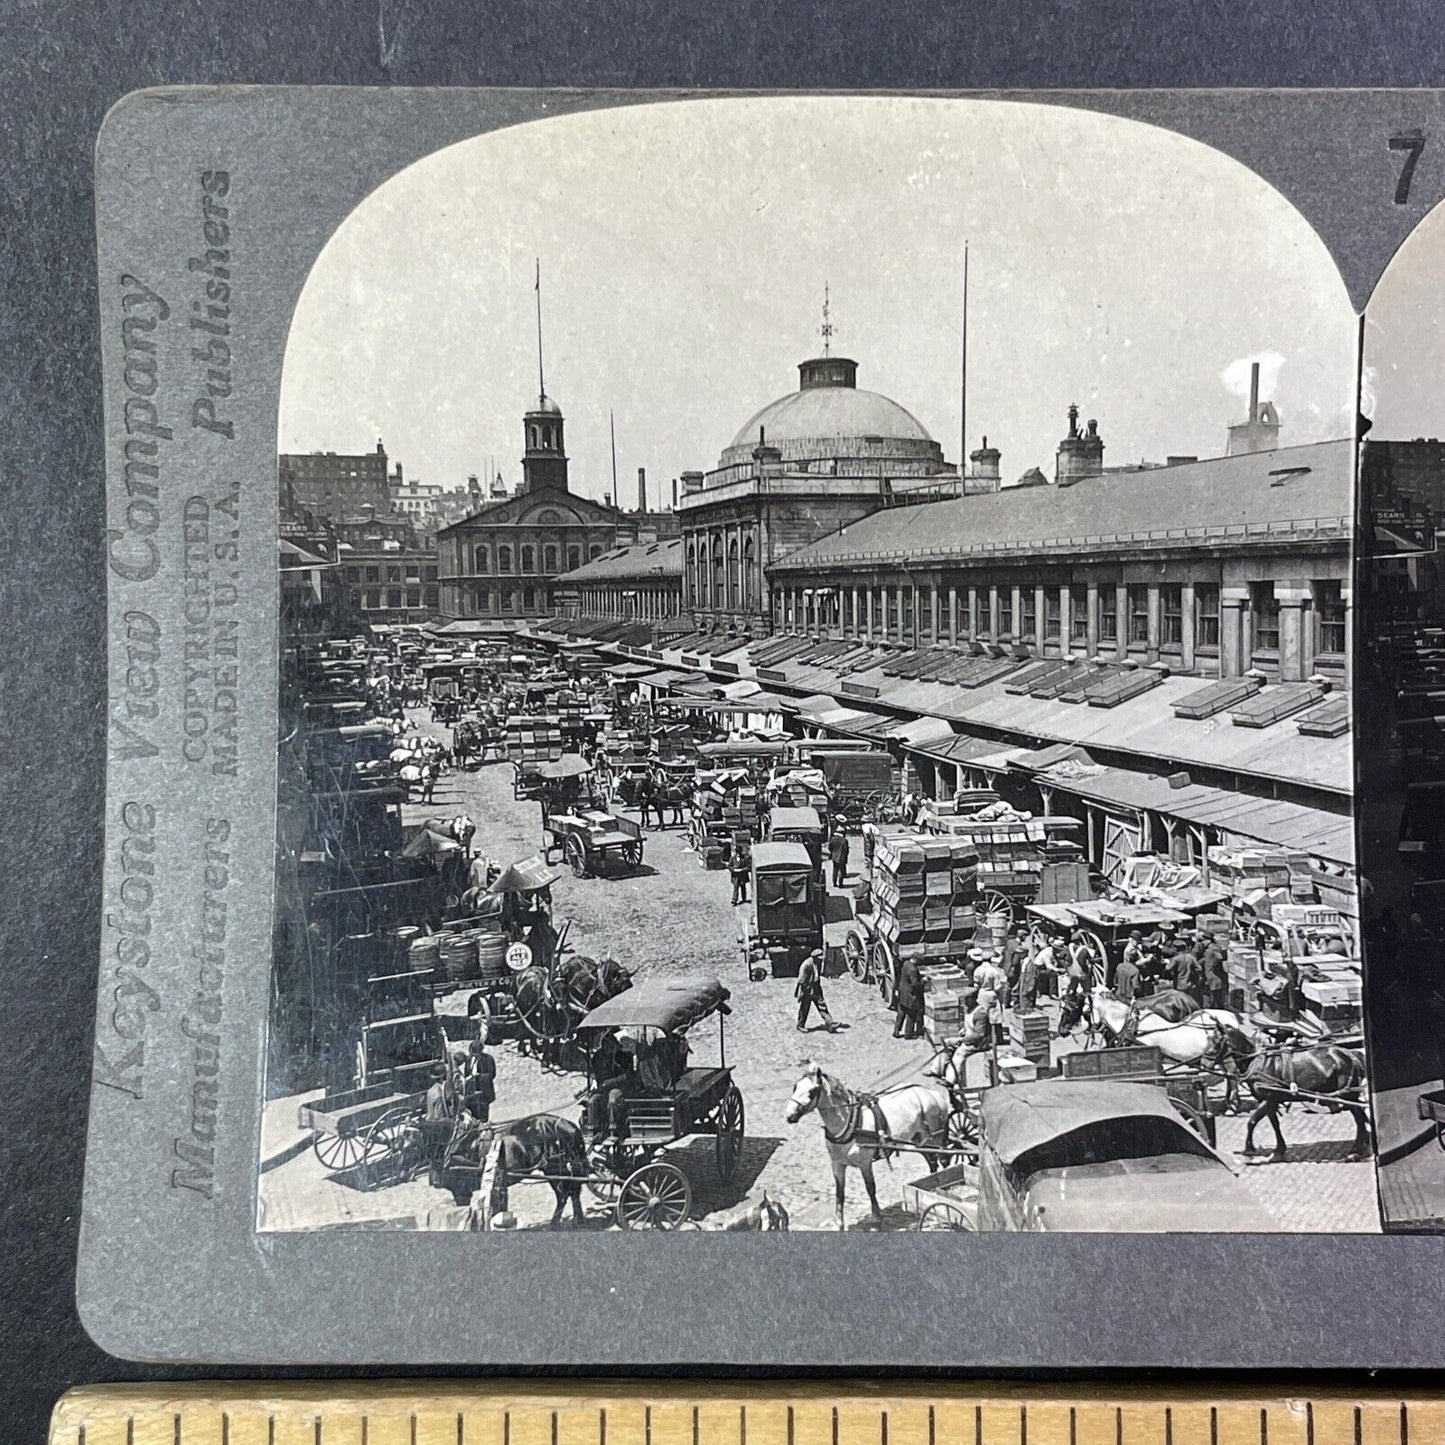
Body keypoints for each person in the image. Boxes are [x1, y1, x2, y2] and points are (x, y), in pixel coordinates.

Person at [795, 948, 840, 1032]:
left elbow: (817, 975)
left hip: (816, 986)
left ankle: (830, 1024)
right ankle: (800, 1025)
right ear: (815, 957)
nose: (821, 960)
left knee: (822, 1005)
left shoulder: (818, 963)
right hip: (807, 987)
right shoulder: (806, 964)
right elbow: (801, 980)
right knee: (804, 1008)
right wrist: (805, 990)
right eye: (820, 958)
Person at [893, 953, 924, 1039]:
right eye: (919, 961)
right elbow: (914, 984)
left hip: (902, 993)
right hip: (910, 996)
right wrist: (923, 982)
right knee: (911, 1014)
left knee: (901, 1013)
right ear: (915, 959)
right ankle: (908, 1034)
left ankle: (896, 1031)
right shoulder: (913, 969)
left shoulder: (906, 963)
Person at [1201, 934, 1230, 1009]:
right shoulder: (1210, 949)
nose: (1202, 942)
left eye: (1204, 940)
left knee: (1216, 1001)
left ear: (1209, 940)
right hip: (1210, 977)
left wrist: (1214, 964)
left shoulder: (1212, 949)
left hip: (1214, 977)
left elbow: (1219, 957)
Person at [730, 834, 751, 907]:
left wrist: (742, 869)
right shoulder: (732, 859)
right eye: (737, 852)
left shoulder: (745, 859)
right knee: (735, 888)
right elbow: (729, 866)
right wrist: (733, 870)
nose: (738, 854)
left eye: (739, 852)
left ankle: (744, 898)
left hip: (742, 875)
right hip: (735, 876)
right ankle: (734, 900)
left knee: (742, 886)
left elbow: (748, 866)